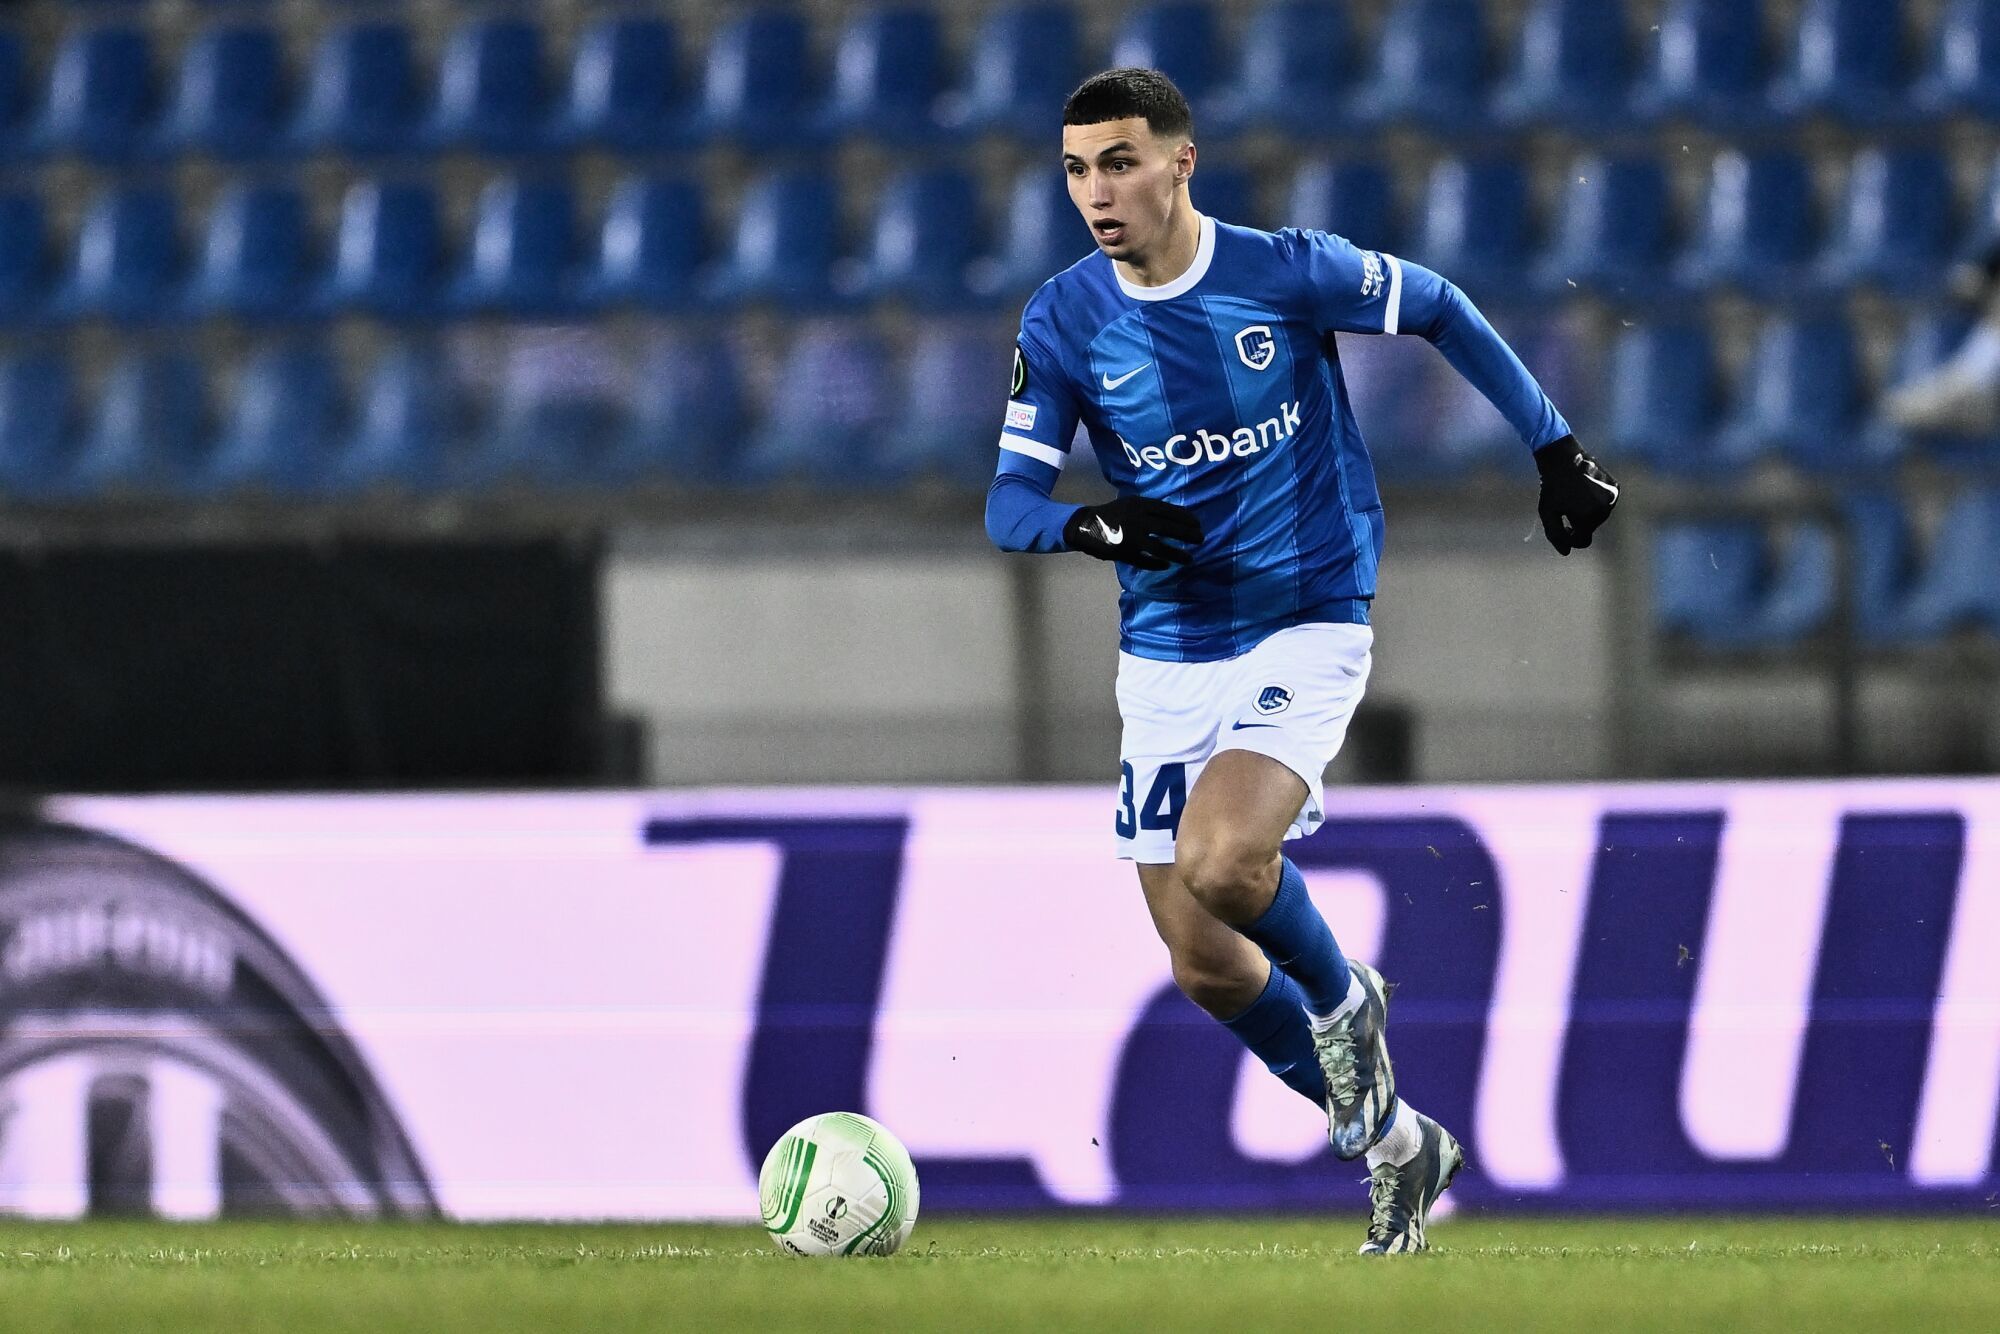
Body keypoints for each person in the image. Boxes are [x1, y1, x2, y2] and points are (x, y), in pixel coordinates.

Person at [982, 69, 1619, 1255]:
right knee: (1205, 963)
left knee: (1225, 861)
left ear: (1179, 161)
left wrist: (1552, 447)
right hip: (1163, 653)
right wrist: (1091, 524)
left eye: (1118, 161)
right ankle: (1399, 1146)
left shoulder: (1282, 270)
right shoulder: (1062, 319)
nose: (1094, 192)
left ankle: (1340, 994)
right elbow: (1007, 502)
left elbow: (1437, 305)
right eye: (1074, 170)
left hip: (1304, 620)